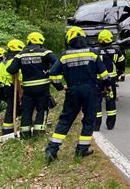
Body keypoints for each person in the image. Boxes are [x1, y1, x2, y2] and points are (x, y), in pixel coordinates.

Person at [45, 26, 110, 161]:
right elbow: (104, 75)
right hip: (90, 91)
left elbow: (53, 74)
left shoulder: (64, 55)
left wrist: (60, 87)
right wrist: (106, 86)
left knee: (65, 120)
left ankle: (52, 149)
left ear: (69, 40)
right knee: (89, 120)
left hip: (72, 91)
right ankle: (82, 149)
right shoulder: (92, 53)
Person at [7, 32, 57, 139]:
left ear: (28, 41)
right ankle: (38, 133)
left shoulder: (20, 55)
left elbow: (11, 70)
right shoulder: (45, 52)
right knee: (42, 108)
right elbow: (58, 62)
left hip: (28, 89)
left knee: (27, 110)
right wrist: (49, 72)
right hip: (42, 87)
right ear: (40, 41)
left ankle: (25, 134)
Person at [95, 29, 125, 131]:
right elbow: (122, 65)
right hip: (110, 81)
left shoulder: (95, 52)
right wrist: (119, 74)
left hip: (98, 80)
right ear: (111, 39)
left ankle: (96, 125)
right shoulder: (117, 51)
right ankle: (110, 125)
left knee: (96, 101)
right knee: (110, 100)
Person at [0, 39, 25, 134]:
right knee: (14, 105)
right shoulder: (15, 60)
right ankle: (10, 129)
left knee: (11, 106)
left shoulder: (5, 60)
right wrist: (20, 91)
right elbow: (15, 76)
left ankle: (7, 128)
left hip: (7, 86)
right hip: (15, 85)